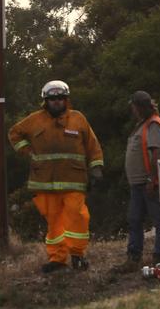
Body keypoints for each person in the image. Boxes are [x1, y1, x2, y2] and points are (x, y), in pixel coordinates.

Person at [9, 80, 105, 273]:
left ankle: (77, 255)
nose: (57, 102)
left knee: (77, 217)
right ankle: (57, 259)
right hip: (45, 183)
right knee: (54, 223)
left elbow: (92, 145)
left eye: (60, 98)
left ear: (66, 100)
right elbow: (14, 133)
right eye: (52, 99)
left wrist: (96, 168)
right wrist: (28, 152)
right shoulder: (34, 120)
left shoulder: (78, 119)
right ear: (46, 101)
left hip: (74, 181)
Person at [121, 90, 160, 270]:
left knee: (159, 221)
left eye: (134, 106)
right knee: (134, 219)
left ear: (139, 107)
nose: (133, 110)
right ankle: (133, 257)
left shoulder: (154, 125)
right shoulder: (143, 124)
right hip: (139, 183)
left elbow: (156, 152)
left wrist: (151, 179)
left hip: (151, 183)